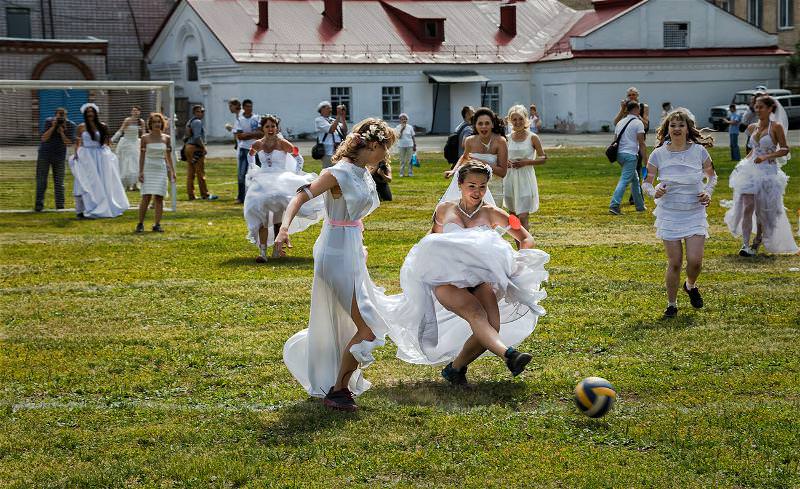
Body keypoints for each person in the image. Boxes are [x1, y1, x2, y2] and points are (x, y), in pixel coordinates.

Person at [384, 161, 549, 384]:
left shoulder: (494, 213)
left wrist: (519, 261)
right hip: (446, 279)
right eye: (471, 186)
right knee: (475, 314)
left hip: (481, 279)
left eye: (482, 186)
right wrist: (420, 264)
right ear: (460, 184)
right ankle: (509, 355)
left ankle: (456, 369)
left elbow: (525, 237)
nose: (477, 192)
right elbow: (433, 238)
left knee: (493, 325)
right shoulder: (444, 210)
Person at [282, 118, 397, 412]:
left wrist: (359, 247)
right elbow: (301, 195)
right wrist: (284, 230)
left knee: (360, 323)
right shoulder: (339, 173)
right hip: (335, 252)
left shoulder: (362, 171)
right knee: (369, 325)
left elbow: (355, 212)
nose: (387, 154)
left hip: (351, 248)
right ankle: (338, 390)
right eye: (386, 148)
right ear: (373, 145)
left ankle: (340, 386)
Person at [641, 108, 717, 319]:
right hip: (670, 213)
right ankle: (672, 304)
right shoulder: (658, 154)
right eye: (672, 125)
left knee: (695, 261)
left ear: (687, 128)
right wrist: (654, 191)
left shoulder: (699, 151)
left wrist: (707, 193)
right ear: (667, 129)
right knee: (674, 262)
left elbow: (712, 176)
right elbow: (646, 183)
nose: (676, 129)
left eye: (680, 125)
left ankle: (690, 285)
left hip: (694, 211)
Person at [724, 95, 799, 256]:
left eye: (761, 107)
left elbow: (785, 149)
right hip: (750, 171)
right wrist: (744, 161)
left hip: (768, 172)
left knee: (762, 211)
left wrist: (766, 156)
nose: (758, 110)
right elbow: (753, 149)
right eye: (756, 107)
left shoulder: (776, 127)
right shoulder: (752, 127)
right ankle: (745, 245)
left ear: (770, 108)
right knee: (747, 206)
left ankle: (757, 241)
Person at [243, 115, 324, 262]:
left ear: (277, 128)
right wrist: (252, 168)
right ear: (263, 128)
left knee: (278, 218)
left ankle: (276, 250)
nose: (270, 129)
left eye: (273, 126)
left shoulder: (283, 143)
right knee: (262, 215)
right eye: (267, 126)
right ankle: (262, 252)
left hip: (281, 180)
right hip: (263, 180)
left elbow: (299, 157)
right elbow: (250, 155)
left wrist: (296, 173)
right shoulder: (258, 144)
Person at [69, 103, 129, 218]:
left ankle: (107, 204)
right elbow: (77, 143)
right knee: (86, 181)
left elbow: (107, 142)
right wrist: (76, 154)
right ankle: (83, 209)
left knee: (103, 181)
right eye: (88, 112)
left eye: (92, 112)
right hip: (86, 156)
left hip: (101, 156)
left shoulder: (103, 126)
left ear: (95, 113)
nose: (90, 114)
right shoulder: (81, 127)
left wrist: (109, 154)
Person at [448, 107, 508, 205]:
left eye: (487, 123)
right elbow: (464, 157)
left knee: (492, 219)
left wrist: (480, 162)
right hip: (473, 190)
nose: (483, 126)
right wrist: (454, 170)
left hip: (494, 189)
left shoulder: (500, 141)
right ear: (475, 125)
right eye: (480, 124)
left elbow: (502, 172)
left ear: (492, 124)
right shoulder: (469, 140)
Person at [505, 105, 547, 244]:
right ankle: (519, 252)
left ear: (526, 120)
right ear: (510, 121)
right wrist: (506, 162)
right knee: (513, 217)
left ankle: (526, 251)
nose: (517, 122)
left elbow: (543, 158)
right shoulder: (506, 138)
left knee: (523, 216)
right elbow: (500, 158)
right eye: (514, 119)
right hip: (510, 180)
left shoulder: (532, 137)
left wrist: (527, 162)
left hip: (525, 180)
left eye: (520, 119)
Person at [136, 113, 176, 233]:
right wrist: (141, 171)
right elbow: (142, 156)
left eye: (159, 122)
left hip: (161, 169)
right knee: (146, 196)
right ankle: (140, 223)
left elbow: (169, 157)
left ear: (162, 124)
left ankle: (157, 224)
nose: (157, 124)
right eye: (154, 122)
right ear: (150, 124)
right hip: (149, 168)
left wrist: (172, 171)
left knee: (159, 197)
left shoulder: (166, 138)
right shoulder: (145, 138)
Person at [609, 100, 647, 215]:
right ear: (636, 109)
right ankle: (614, 205)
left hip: (619, 155)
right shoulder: (638, 123)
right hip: (630, 155)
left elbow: (615, 140)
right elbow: (642, 143)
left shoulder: (620, 122)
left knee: (634, 179)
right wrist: (646, 160)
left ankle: (640, 206)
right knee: (625, 180)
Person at [35, 107, 75, 212]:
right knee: (41, 181)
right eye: (59, 115)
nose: (61, 117)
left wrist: (62, 132)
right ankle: (39, 206)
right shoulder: (49, 122)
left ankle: (60, 206)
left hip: (59, 156)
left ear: (66, 115)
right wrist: (53, 127)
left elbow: (69, 143)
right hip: (45, 154)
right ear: (55, 115)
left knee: (59, 182)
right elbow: (44, 138)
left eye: (63, 115)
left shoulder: (70, 125)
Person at [614, 87, 650, 204]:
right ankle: (634, 199)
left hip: (639, 141)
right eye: (630, 95)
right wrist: (622, 109)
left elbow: (646, 124)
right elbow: (616, 122)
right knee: (633, 173)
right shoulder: (625, 108)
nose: (632, 97)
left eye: (634, 94)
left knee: (636, 170)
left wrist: (637, 114)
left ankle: (636, 199)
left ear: (638, 95)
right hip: (627, 144)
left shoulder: (643, 107)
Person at [184, 105, 217, 201]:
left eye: (202, 111)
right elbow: (197, 137)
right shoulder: (198, 122)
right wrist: (203, 147)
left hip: (188, 147)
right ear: (194, 112)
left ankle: (191, 195)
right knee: (200, 172)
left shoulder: (190, 121)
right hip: (196, 148)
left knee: (191, 173)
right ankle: (205, 194)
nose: (201, 113)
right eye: (199, 111)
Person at [234, 99, 263, 204]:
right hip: (244, 149)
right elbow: (240, 136)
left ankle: (259, 195)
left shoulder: (257, 118)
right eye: (247, 106)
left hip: (256, 149)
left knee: (259, 172)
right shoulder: (240, 119)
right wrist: (253, 134)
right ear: (244, 107)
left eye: (251, 106)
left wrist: (247, 134)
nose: (249, 108)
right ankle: (240, 197)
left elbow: (260, 133)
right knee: (241, 174)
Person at [112, 106, 144, 191]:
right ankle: (125, 184)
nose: (135, 112)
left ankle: (134, 185)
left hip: (136, 143)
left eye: (137, 111)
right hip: (126, 143)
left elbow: (143, 134)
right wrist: (112, 139)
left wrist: (145, 143)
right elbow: (121, 130)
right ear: (131, 112)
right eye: (133, 110)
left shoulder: (141, 122)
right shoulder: (127, 120)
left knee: (136, 162)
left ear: (139, 112)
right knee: (126, 163)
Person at [314, 101, 347, 169]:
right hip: (327, 151)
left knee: (339, 171)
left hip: (338, 149)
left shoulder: (332, 120)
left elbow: (344, 130)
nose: (330, 110)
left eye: (331, 108)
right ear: (321, 110)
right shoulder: (319, 120)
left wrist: (343, 117)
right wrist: (338, 116)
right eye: (328, 108)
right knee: (328, 171)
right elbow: (331, 130)